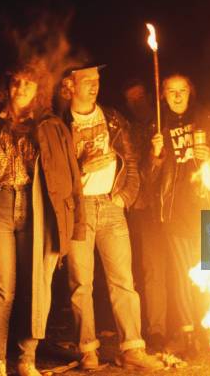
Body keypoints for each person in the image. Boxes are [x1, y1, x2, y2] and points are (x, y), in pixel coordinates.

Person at [0, 58, 85, 376]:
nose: (21, 88)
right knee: (1, 288)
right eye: (16, 81)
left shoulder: (51, 125)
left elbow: (72, 179)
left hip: (38, 211)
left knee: (37, 287)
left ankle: (26, 359)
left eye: (29, 83)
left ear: (39, 89)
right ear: (6, 85)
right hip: (1, 208)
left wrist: (75, 226)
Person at [61, 66, 164, 370]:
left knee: (124, 281)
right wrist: (82, 167)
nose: (94, 86)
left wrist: (124, 197)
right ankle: (87, 349)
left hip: (111, 205)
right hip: (79, 210)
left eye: (97, 81)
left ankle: (132, 348)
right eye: (87, 81)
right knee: (81, 282)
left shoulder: (113, 118)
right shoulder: (59, 123)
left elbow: (130, 162)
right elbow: (54, 177)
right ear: (70, 84)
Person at [148, 73, 210, 358]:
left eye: (182, 90)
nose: (177, 96)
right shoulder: (157, 126)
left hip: (206, 207)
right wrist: (155, 156)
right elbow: (148, 178)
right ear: (163, 95)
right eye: (171, 91)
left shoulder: (208, 118)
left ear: (191, 92)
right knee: (182, 274)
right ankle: (189, 334)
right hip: (175, 209)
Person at [122, 79, 167, 351]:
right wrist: (153, 156)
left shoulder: (164, 123)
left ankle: (189, 325)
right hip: (145, 209)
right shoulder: (132, 131)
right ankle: (157, 328)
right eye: (132, 100)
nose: (138, 103)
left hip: (174, 206)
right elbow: (138, 172)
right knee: (151, 268)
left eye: (140, 97)